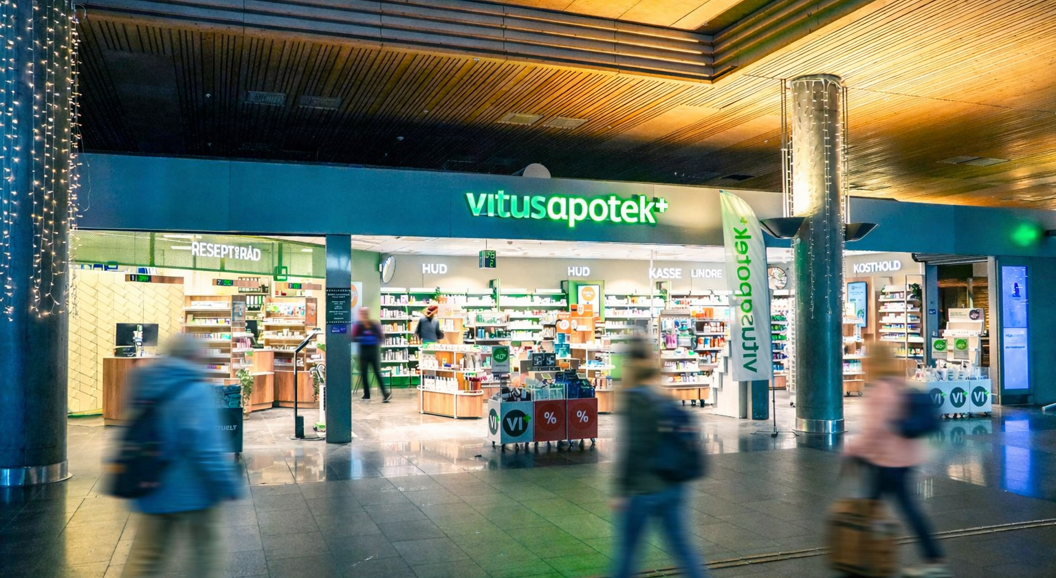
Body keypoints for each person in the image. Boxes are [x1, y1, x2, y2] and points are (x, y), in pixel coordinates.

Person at [121, 335, 242, 578]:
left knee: (146, 557)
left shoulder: (145, 381)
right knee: (206, 552)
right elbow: (207, 449)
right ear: (193, 357)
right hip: (192, 491)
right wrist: (227, 485)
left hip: (151, 485)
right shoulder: (196, 390)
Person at [844, 343, 949, 578]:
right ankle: (932, 558)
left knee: (872, 508)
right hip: (904, 458)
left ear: (872, 363)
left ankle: (860, 560)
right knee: (902, 507)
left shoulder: (878, 391)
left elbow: (874, 431)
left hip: (885, 461)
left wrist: (852, 450)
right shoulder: (899, 384)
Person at [612, 335, 707, 578]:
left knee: (627, 553)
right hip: (673, 484)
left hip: (644, 490)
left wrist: (620, 490)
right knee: (683, 549)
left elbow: (634, 448)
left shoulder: (633, 399)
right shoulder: (661, 395)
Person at [352, 307, 390, 402]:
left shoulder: (374, 324)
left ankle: (385, 394)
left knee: (376, 372)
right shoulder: (359, 325)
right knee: (364, 374)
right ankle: (367, 395)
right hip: (364, 352)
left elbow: (381, 337)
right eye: (362, 312)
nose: (363, 314)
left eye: (364, 312)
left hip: (373, 352)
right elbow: (353, 337)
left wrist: (370, 340)